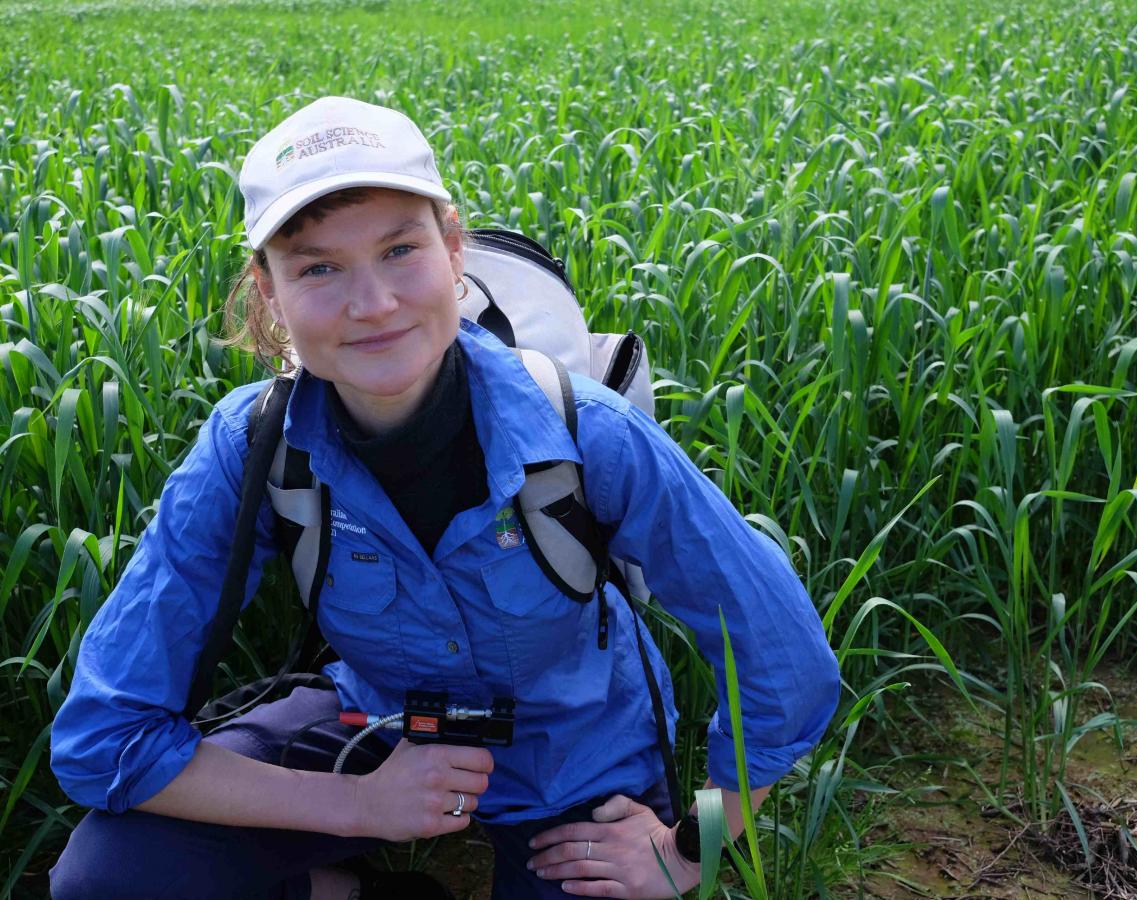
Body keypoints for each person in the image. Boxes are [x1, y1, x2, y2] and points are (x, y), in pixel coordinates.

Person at [47, 96, 840, 900]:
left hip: (579, 760)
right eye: (318, 266)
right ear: (269, 291)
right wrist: (358, 803)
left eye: (400, 249)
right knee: (109, 877)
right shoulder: (253, 446)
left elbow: (786, 668)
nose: (373, 304)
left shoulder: (585, 433)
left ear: (453, 247)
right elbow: (103, 738)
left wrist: (691, 850)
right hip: (376, 730)